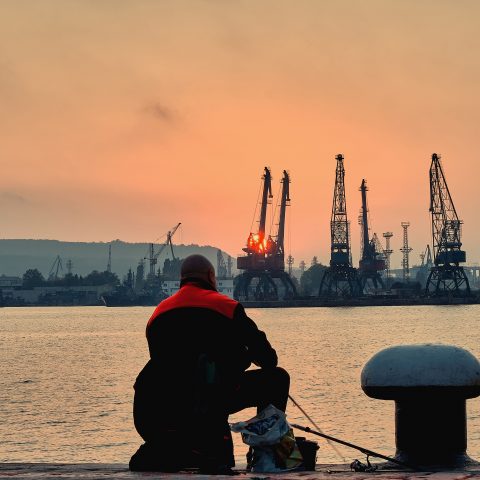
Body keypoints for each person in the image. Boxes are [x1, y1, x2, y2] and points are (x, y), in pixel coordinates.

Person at [129, 254, 290, 474]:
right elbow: (269, 360)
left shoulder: (158, 314)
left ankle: (178, 447)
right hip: (213, 398)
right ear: (211, 278)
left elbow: (163, 364)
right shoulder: (227, 307)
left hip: (160, 408)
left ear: (181, 280)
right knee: (277, 378)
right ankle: (265, 453)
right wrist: (242, 355)